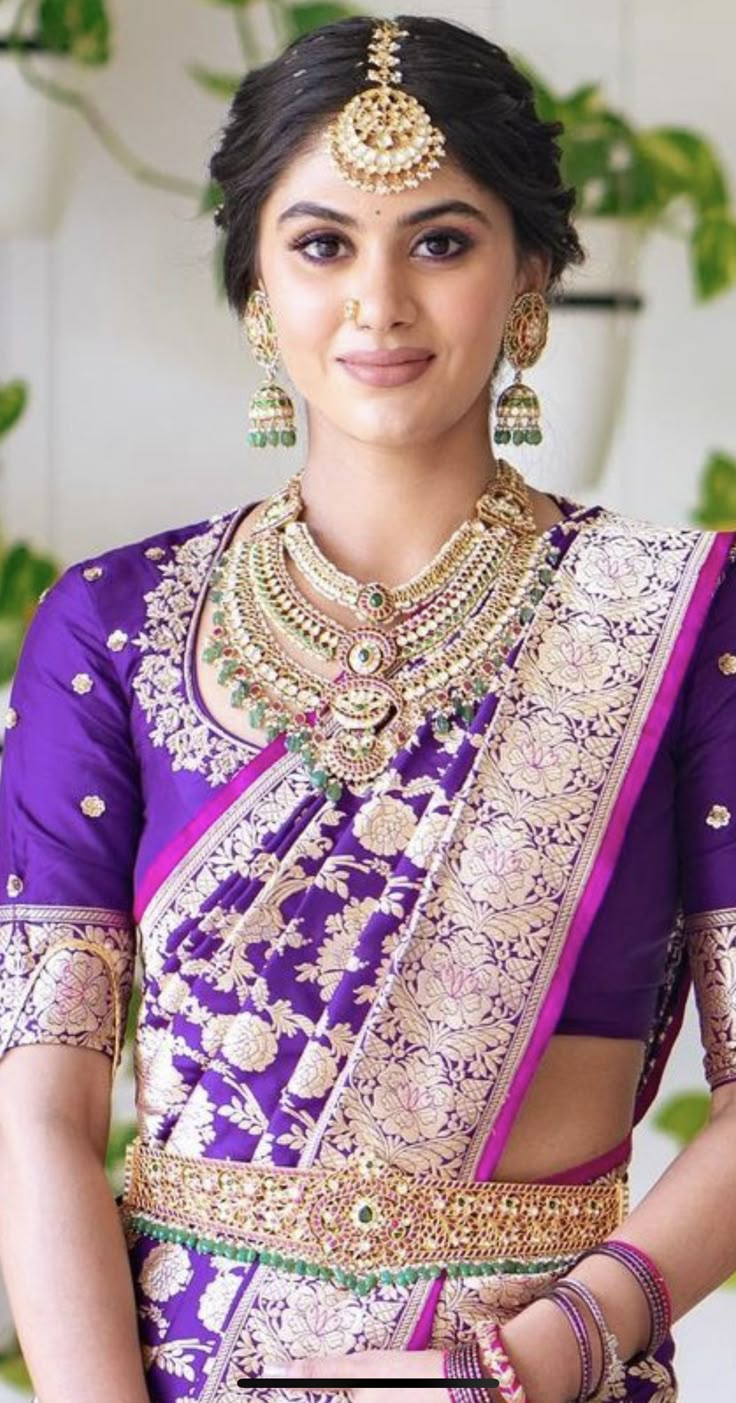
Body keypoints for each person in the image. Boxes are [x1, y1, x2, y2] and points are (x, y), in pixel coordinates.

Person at [0, 13, 734, 1403]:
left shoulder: (680, 623)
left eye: (442, 241)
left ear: (532, 282)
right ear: (255, 291)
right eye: (323, 243)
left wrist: (569, 1340)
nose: (380, 302)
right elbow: (37, 1113)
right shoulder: (108, 629)